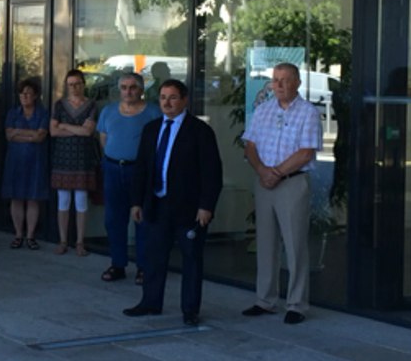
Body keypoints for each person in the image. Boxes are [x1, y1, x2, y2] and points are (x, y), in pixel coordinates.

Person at [122, 80, 223, 326]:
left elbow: (212, 172)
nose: (167, 103)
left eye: (173, 97)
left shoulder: (199, 131)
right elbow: (141, 168)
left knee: (191, 260)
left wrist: (206, 206)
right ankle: (150, 302)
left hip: (189, 208)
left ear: (184, 100)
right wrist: (136, 202)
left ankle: (190, 310)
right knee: (154, 257)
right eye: (163, 97)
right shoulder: (151, 129)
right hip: (157, 204)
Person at [241, 62, 323, 325]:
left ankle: (296, 304)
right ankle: (265, 300)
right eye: (275, 79)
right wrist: (262, 171)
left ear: (297, 82)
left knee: (295, 244)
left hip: (291, 183)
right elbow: (250, 145)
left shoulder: (308, 112)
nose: (278, 85)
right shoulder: (263, 110)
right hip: (264, 182)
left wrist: (275, 172)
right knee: (265, 243)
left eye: (285, 80)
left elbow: (306, 152)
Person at [97, 72, 160, 283]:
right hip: (113, 169)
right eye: (124, 87)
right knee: (113, 219)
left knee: (142, 218)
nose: (128, 92)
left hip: (140, 172)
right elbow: (103, 139)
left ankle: (143, 266)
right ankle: (118, 264)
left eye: (132, 87)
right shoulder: (108, 111)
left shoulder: (153, 112)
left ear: (141, 90)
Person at [49, 69, 99, 257]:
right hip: (63, 158)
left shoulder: (91, 105)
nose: (74, 87)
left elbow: (88, 132)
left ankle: (79, 242)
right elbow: (53, 131)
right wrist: (76, 129)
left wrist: (64, 125)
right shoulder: (59, 105)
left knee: (81, 200)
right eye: (70, 84)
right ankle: (63, 241)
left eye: (77, 83)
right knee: (63, 201)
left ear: (83, 84)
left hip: (82, 158)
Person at [3, 79, 50, 250]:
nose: (24, 96)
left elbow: (40, 137)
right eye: (22, 93)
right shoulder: (13, 113)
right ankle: (18, 234)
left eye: (28, 93)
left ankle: (30, 236)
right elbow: (9, 135)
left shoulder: (42, 113)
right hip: (15, 161)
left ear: (35, 95)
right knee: (16, 197)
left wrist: (18, 132)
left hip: (35, 161)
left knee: (33, 198)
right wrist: (30, 134)